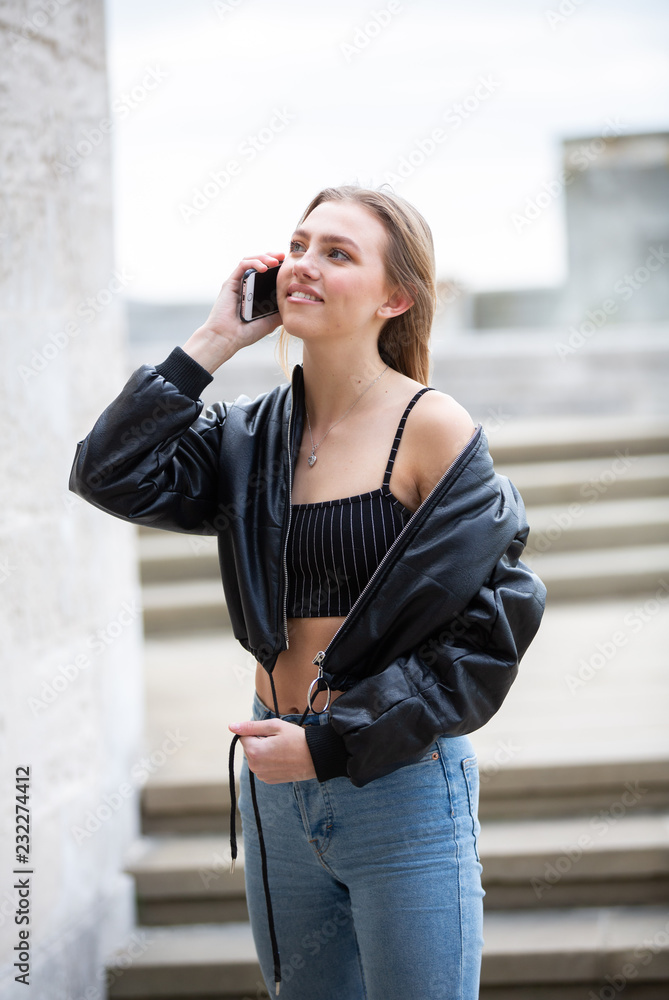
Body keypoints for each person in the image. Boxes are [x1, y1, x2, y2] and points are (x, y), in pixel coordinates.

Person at [69, 184, 547, 1000]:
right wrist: (215, 339)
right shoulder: (247, 436)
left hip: (397, 781)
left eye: (337, 253)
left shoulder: (431, 426)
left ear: (394, 298)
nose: (303, 265)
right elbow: (106, 472)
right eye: (296, 246)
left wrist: (331, 744)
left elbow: (492, 628)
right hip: (272, 791)